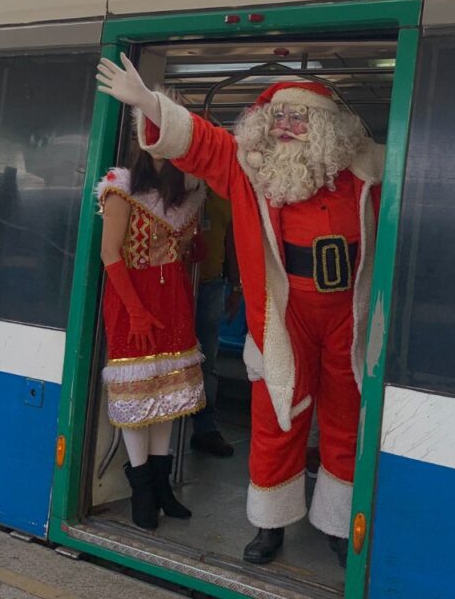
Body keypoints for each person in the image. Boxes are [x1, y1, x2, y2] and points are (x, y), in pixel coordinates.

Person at [97, 56, 383, 568]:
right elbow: (201, 142)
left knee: (346, 421)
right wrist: (149, 104)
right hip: (283, 316)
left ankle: (339, 525)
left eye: (299, 119)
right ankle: (269, 525)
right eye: (278, 119)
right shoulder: (249, 171)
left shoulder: (367, 172)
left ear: (323, 127)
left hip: (350, 317)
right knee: (277, 417)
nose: (286, 129)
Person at [96, 134, 207, 531]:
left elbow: (188, 249)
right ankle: (143, 488)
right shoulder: (121, 188)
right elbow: (110, 253)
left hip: (173, 296)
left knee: (169, 391)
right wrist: (136, 313)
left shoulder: (187, 194)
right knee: (137, 392)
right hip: (133, 299)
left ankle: (161, 487)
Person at [189, 188, 240, 458]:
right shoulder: (180, 188)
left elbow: (231, 240)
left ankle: (205, 428)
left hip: (211, 285)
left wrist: (236, 285)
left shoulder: (223, 192)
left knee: (208, 362)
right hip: (178, 286)